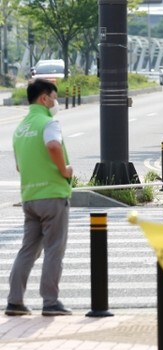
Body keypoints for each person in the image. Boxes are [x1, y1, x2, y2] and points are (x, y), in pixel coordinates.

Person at [5, 79, 74, 317]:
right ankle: (51, 302)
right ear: (44, 98)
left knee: (28, 250)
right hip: (53, 195)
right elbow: (54, 146)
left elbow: (19, 166)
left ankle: (15, 301)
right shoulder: (48, 123)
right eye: (54, 97)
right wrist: (64, 170)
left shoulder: (20, 129)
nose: (56, 102)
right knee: (54, 249)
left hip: (30, 197)